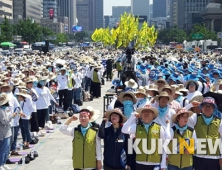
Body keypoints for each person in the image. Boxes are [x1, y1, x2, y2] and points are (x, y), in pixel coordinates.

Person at [122, 105, 166, 170]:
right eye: (144, 112)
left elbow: (163, 145)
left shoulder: (159, 128)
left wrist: (163, 164)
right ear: (141, 115)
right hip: (140, 162)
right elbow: (124, 130)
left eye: (149, 112)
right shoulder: (136, 126)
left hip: (155, 162)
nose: (146, 113)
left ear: (153, 115)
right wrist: (131, 117)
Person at [188, 97, 222, 170]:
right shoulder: (195, 117)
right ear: (201, 107)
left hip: (214, 157)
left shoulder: (219, 121)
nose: (207, 108)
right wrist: (190, 105)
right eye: (205, 106)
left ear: (214, 108)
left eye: (210, 106)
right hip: (198, 156)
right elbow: (179, 116)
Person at [0, 93, 16, 170]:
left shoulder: (5, 109)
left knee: (6, 149)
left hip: (7, 131)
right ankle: (0, 164)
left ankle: (4, 163)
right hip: (3, 133)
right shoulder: (1, 111)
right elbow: (4, 121)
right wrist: (12, 116)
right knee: (2, 150)